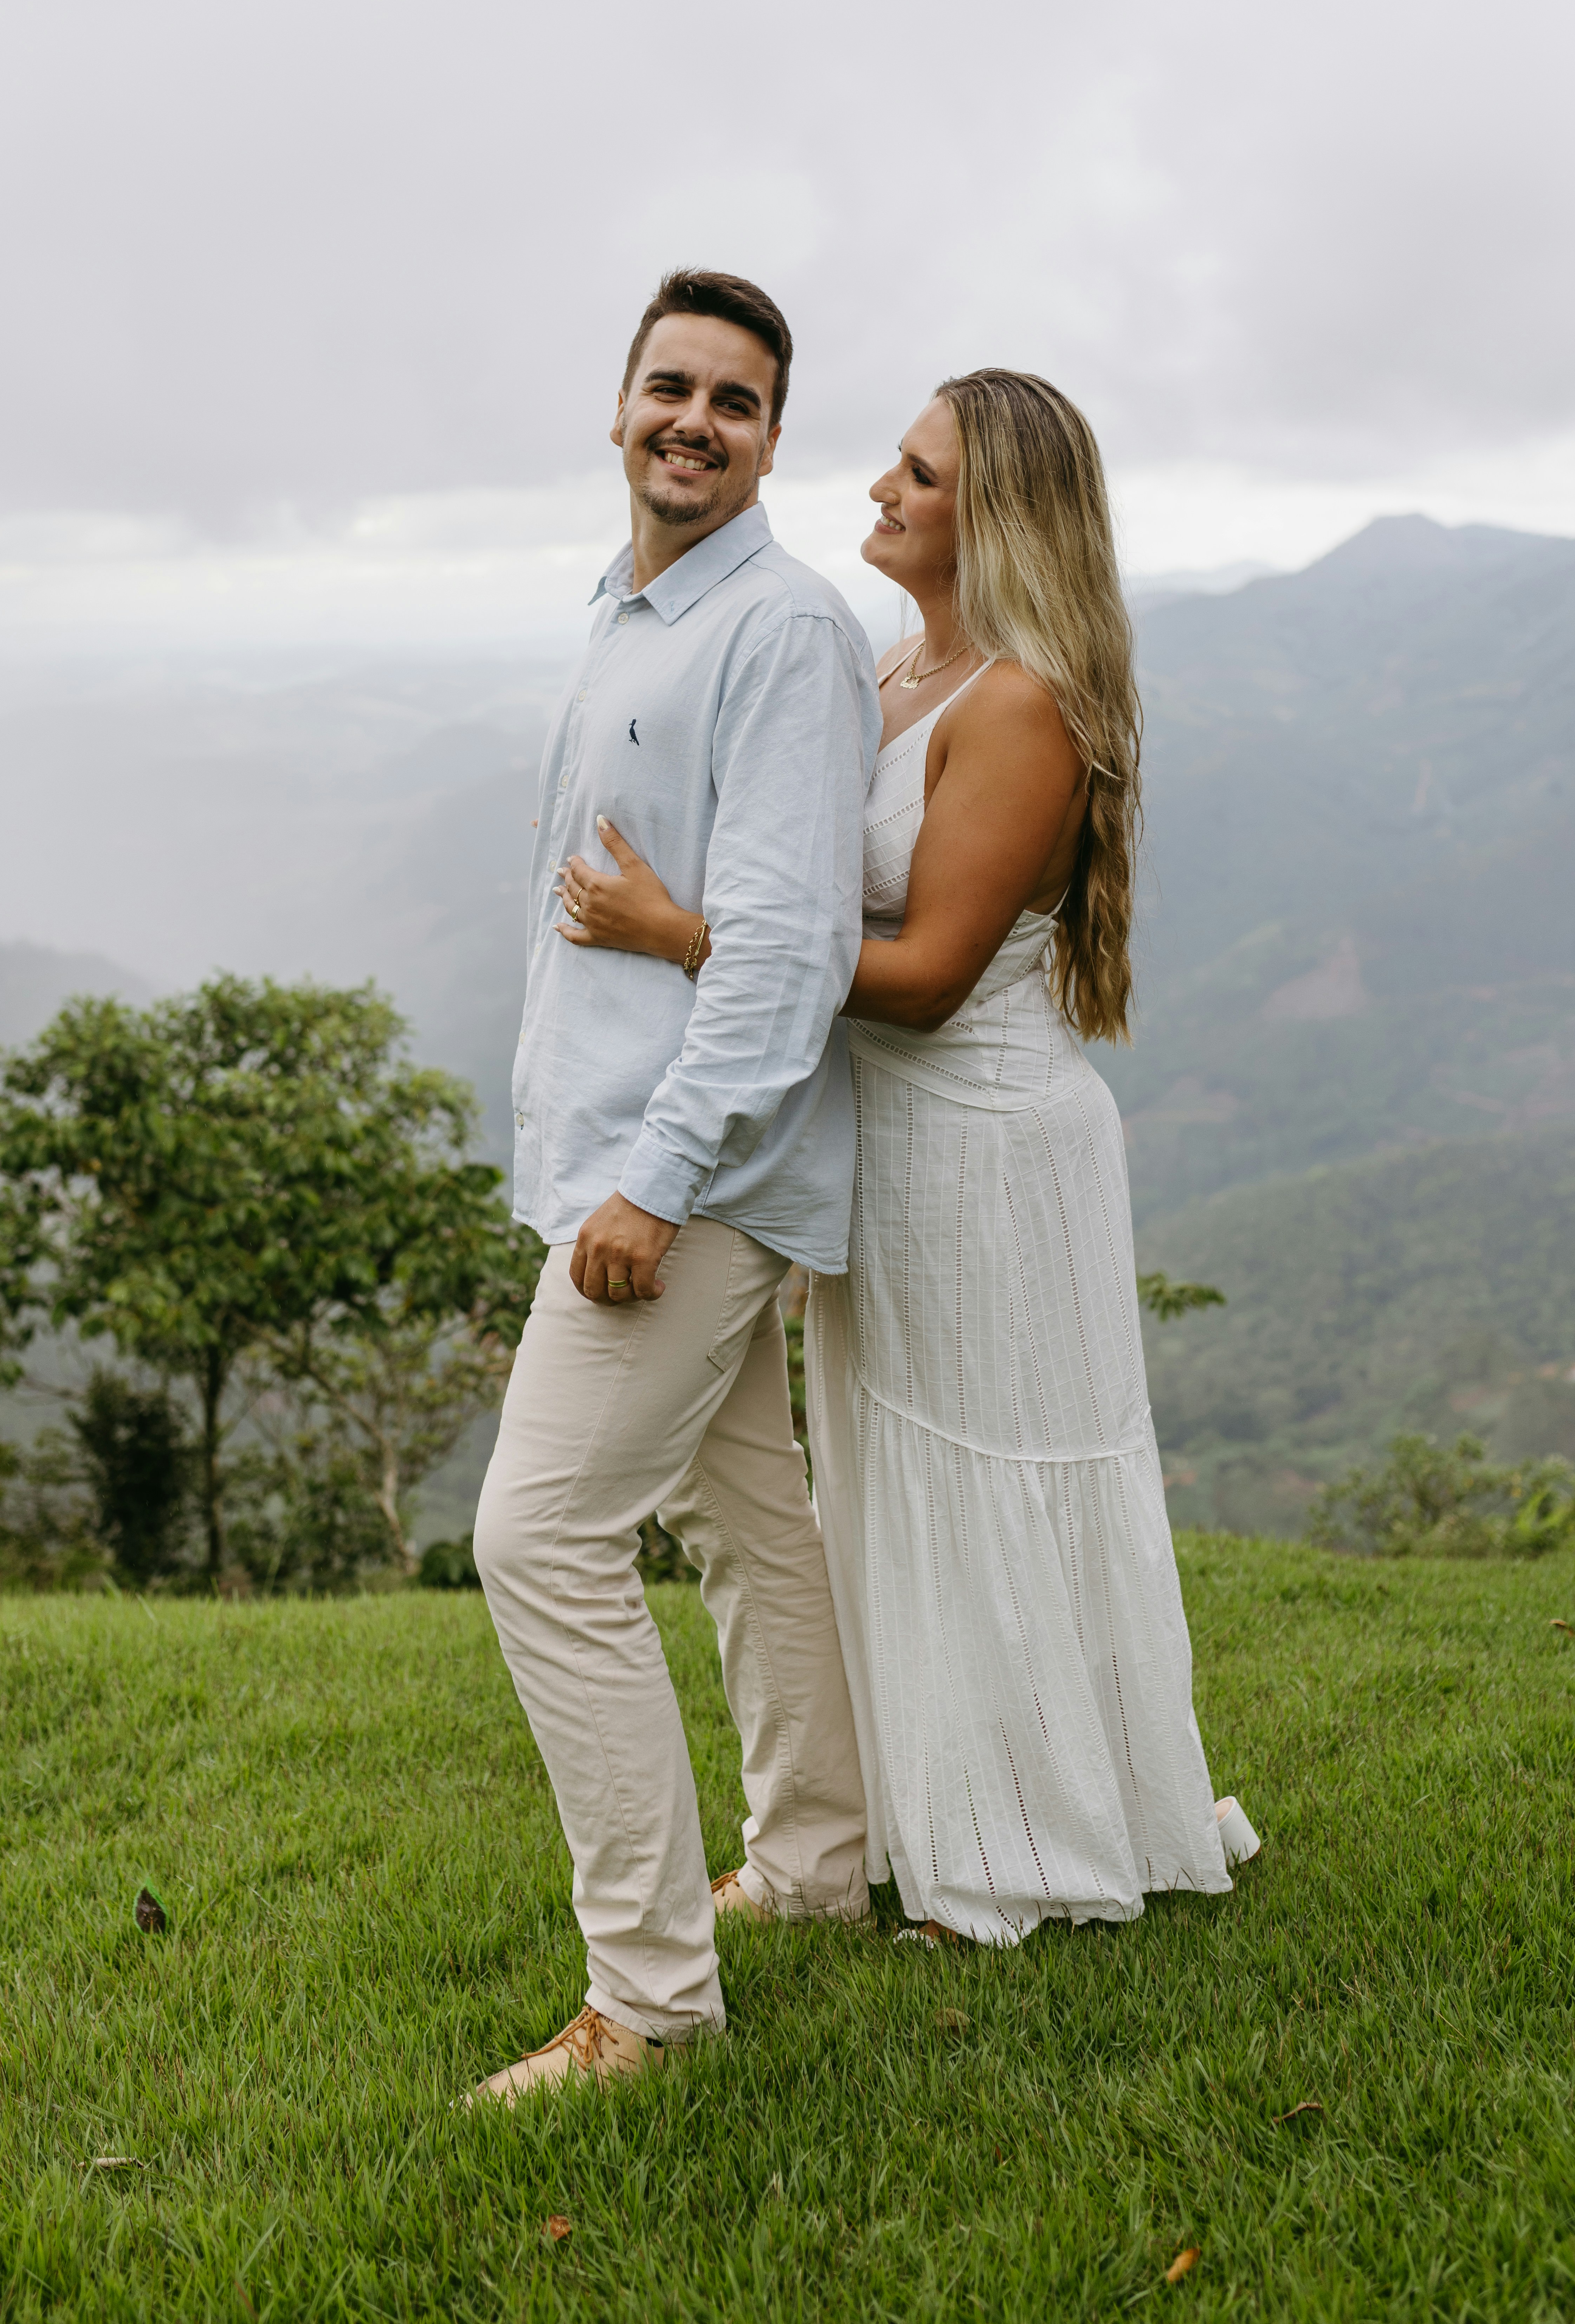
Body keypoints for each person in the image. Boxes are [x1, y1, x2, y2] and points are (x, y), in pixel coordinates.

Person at [554, 367, 1243, 1950]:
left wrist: (691, 939)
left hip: (991, 1147)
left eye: (919, 475)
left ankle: (1027, 1852)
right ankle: (928, 1818)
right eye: (893, 463)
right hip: (894, 1149)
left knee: (986, 1475)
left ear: (993, 514)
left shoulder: (1022, 698)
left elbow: (928, 976)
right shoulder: (895, 671)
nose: (878, 488)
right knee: (898, 1485)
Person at [464, 270, 878, 2107]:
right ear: (619, 403)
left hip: (684, 1183)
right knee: (743, 1516)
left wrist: (646, 1181)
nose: (692, 422)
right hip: (628, 1161)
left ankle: (649, 2000)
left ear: (774, 435)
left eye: (732, 400)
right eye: (668, 388)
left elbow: (787, 953)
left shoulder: (779, 633)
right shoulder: (629, 611)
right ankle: (812, 1857)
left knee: (537, 1537)